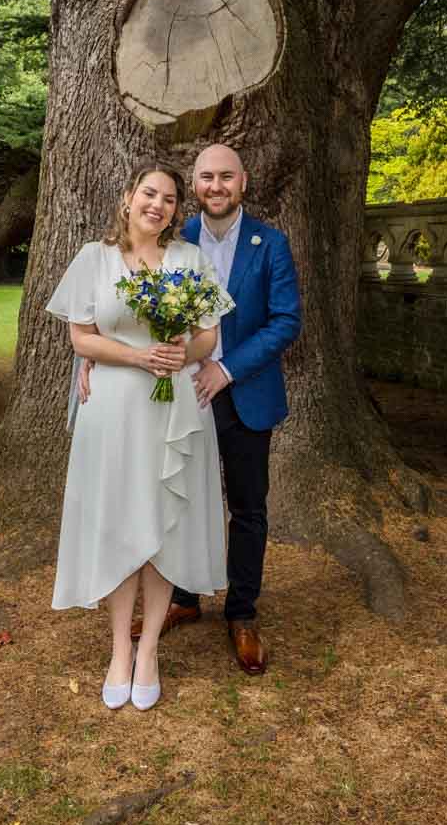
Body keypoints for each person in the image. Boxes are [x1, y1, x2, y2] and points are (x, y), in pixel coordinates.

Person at [85, 144, 301, 675]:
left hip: (242, 391)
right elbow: (116, 316)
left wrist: (225, 370)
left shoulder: (270, 244)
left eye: (226, 177)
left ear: (243, 183)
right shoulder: (175, 244)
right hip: (178, 396)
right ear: (195, 189)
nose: (216, 186)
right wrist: (94, 363)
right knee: (179, 495)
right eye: (206, 177)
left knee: (247, 507)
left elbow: (285, 321)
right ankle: (183, 598)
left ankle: (242, 611)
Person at [45, 163, 233, 711]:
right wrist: (137, 356)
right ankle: (119, 651)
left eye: (171, 199)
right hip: (113, 412)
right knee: (121, 524)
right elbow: (83, 338)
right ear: (128, 198)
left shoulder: (188, 260)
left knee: (164, 528)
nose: (159, 205)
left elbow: (209, 333)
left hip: (173, 411)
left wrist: (185, 353)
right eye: (150, 193)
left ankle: (149, 648)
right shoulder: (93, 259)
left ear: (178, 211)